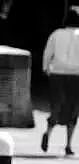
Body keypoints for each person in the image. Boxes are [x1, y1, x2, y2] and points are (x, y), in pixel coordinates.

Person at [40, 6, 79, 156]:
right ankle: (68, 145)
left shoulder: (56, 34)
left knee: (56, 106)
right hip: (76, 76)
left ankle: (48, 134)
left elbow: (48, 52)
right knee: (73, 110)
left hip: (57, 74)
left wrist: (46, 68)